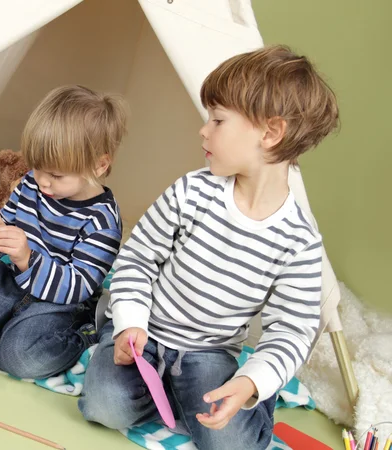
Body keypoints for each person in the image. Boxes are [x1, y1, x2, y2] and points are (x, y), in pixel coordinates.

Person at [78, 45, 339, 449]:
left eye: (217, 120)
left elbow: (292, 329)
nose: (204, 130)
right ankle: (132, 357)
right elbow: (137, 259)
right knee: (104, 406)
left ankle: (222, 401)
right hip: (145, 331)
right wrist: (130, 321)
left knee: (231, 443)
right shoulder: (191, 191)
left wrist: (251, 383)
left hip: (209, 352)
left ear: (270, 133)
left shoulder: (300, 240)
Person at [0, 85, 128, 380]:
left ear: (99, 165)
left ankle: (82, 334)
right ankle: (5, 318)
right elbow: (8, 223)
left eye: (56, 175)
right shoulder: (32, 183)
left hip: (60, 301)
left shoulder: (102, 221)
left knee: (20, 359)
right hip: (10, 280)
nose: (43, 183)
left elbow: (80, 285)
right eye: (37, 168)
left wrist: (28, 258)